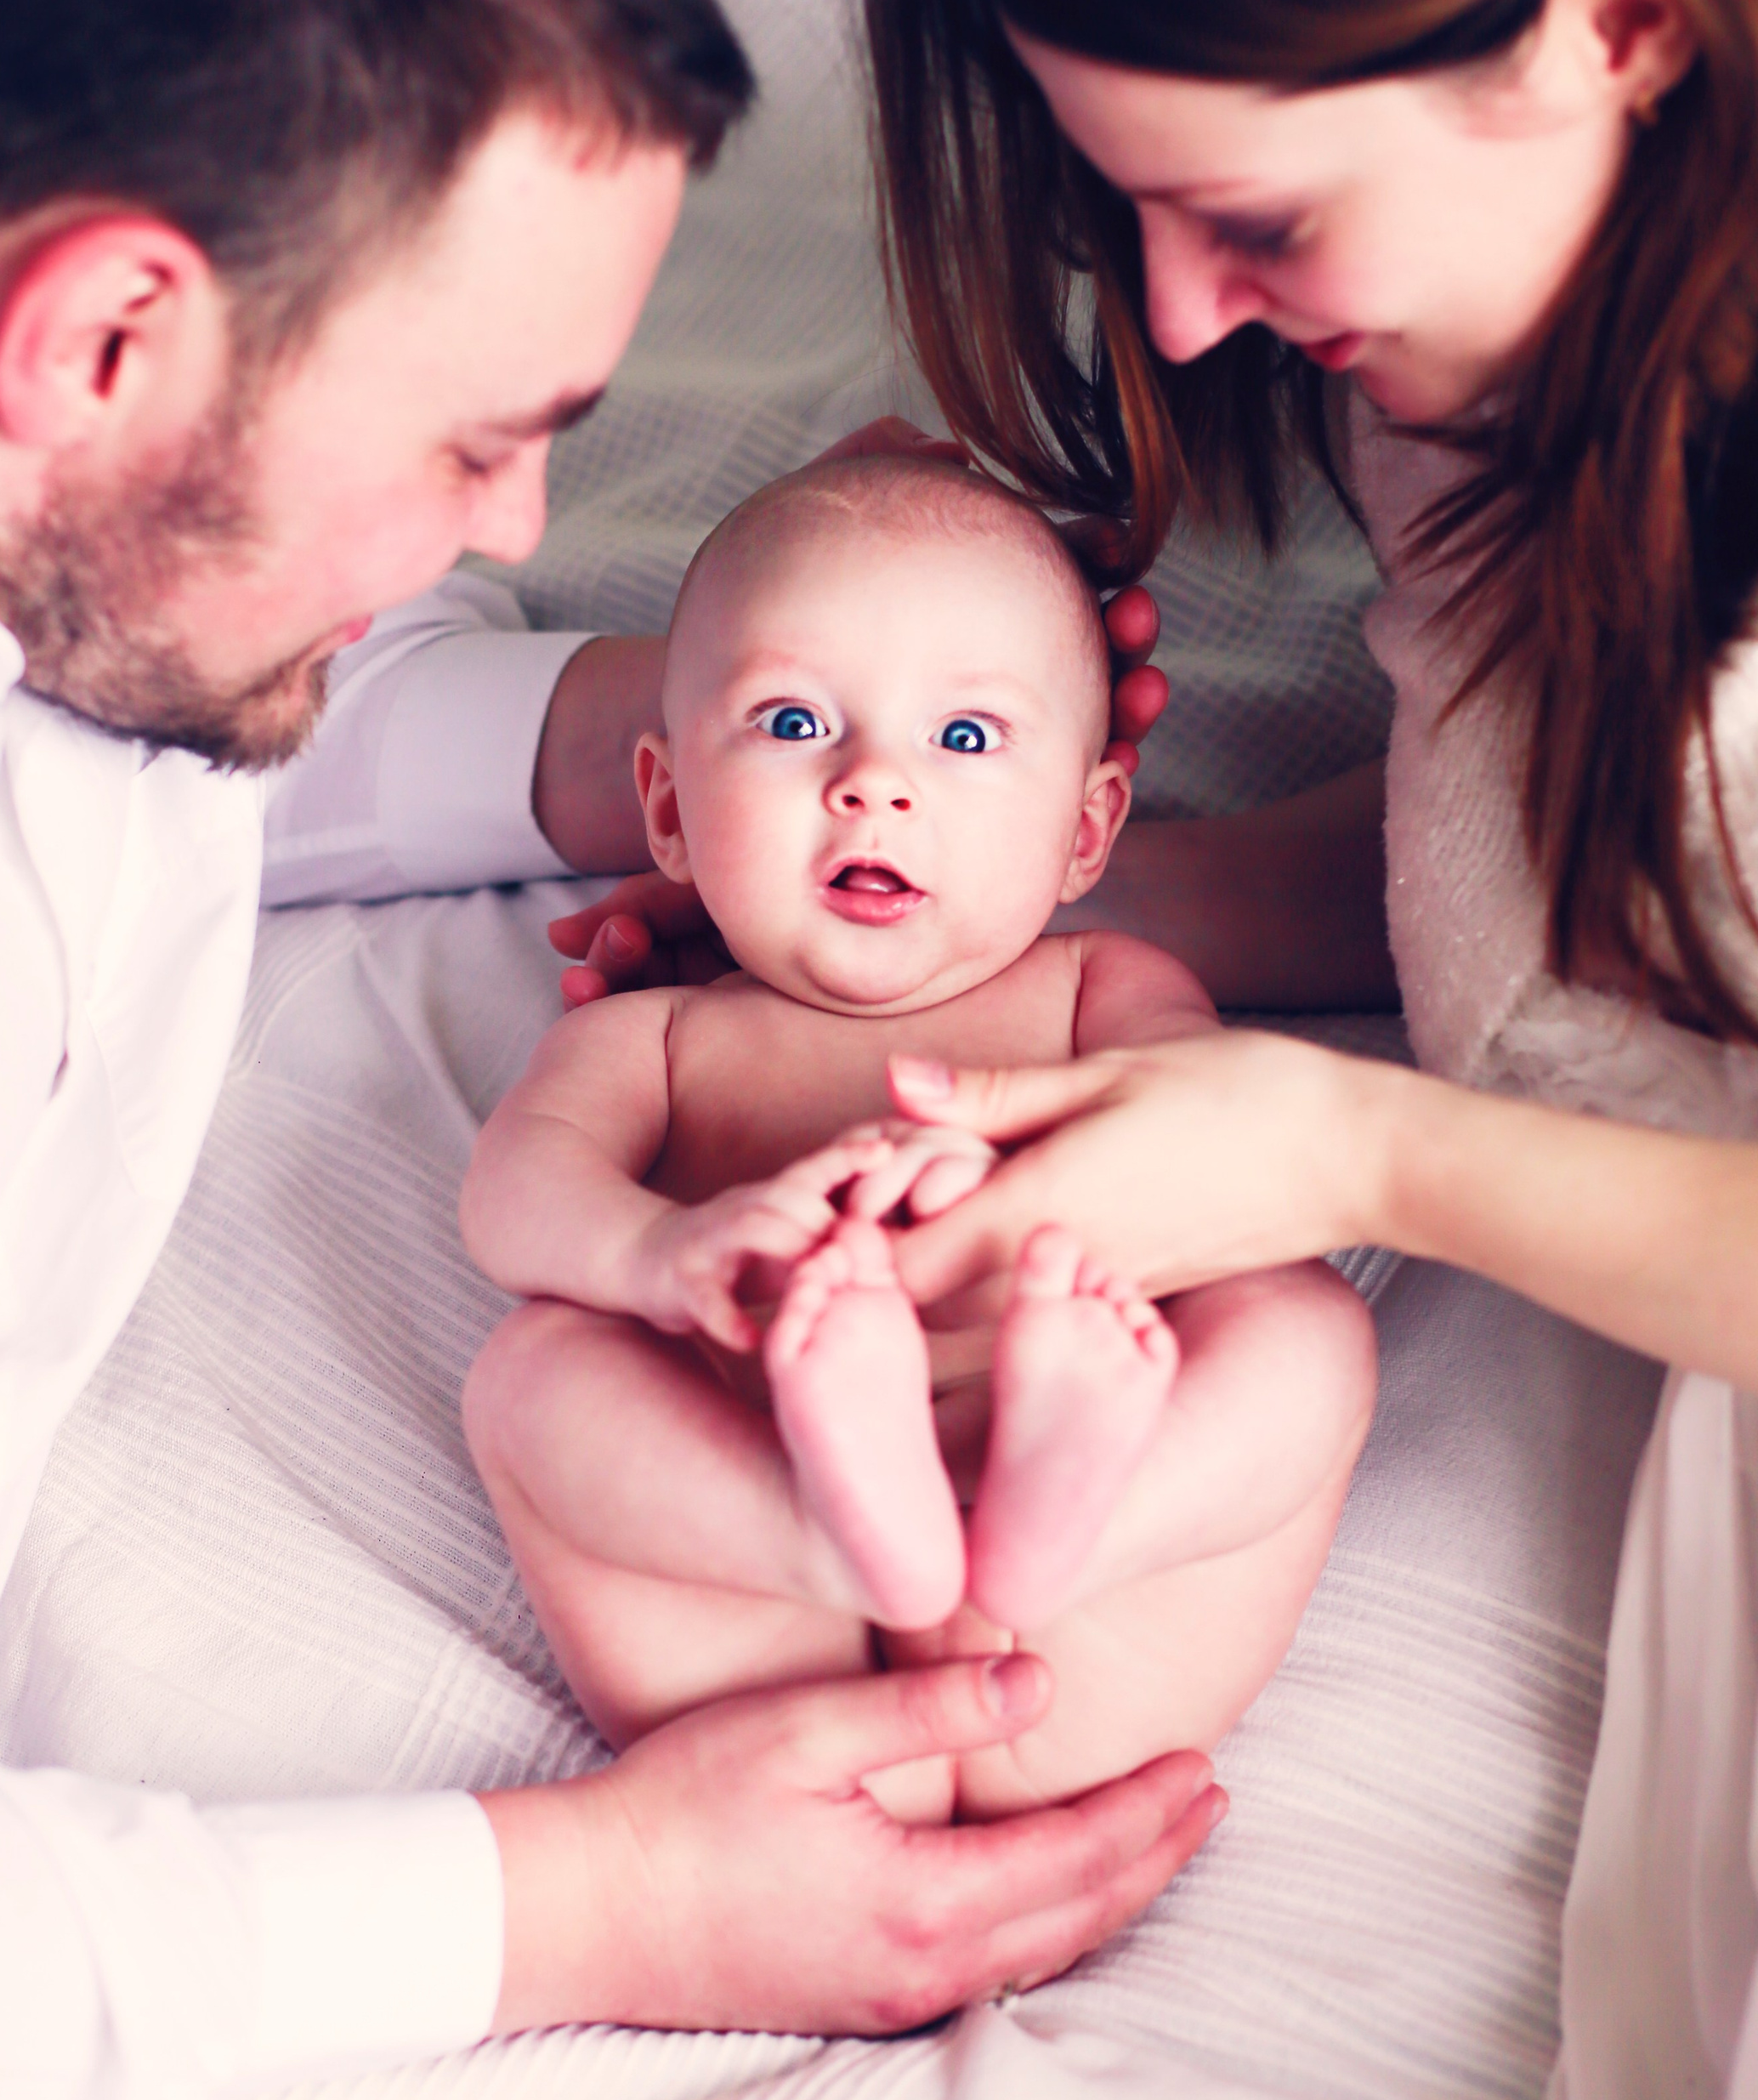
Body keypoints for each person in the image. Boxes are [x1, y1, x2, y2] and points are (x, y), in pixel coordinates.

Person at [0, 0, 1222, 2100]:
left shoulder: (22, 527)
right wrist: (589, 1904)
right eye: (473, 441)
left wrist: (804, 703)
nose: (524, 528)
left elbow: (194, 711)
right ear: (102, 336)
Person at [826, 0, 1758, 2100]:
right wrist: (1033, 923)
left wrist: (1362, 1157)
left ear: (1615, 22)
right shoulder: (1500, 336)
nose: (1177, 315)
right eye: (1131, 202)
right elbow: (1570, 886)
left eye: (1259, 220)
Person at [458, 455, 1374, 1821]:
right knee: (534, 1374)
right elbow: (513, 1194)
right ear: (669, 809)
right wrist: (662, 1250)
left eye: (965, 738)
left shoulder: (1103, 989)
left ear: (1087, 830)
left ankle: (1055, 1524)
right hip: (768, 1623)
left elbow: (1218, 1155)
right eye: (792, 721)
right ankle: (841, 1539)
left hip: (1078, 1639)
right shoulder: (654, 1035)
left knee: (1304, 1330)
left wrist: (1032, 1194)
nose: (875, 783)